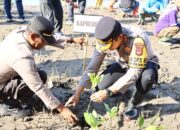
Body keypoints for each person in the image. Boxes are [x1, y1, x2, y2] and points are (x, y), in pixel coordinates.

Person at [65, 16, 160, 120]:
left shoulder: (137, 38)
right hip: (124, 63)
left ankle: (134, 103)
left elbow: (135, 71)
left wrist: (109, 92)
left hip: (145, 65)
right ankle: (125, 89)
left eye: (109, 46)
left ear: (119, 37)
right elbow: (92, 68)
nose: (108, 49)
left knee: (147, 78)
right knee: (100, 87)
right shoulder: (103, 39)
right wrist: (77, 94)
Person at [0, 16, 85, 123]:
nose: (45, 45)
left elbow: (48, 38)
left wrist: (71, 40)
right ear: (33, 36)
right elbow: (37, 86)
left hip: (4, 76)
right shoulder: (21, 56)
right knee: (37, 81)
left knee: (40, 74)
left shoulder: (21, 32)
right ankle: (7, 106)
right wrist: (62, 109)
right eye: (44, 42)